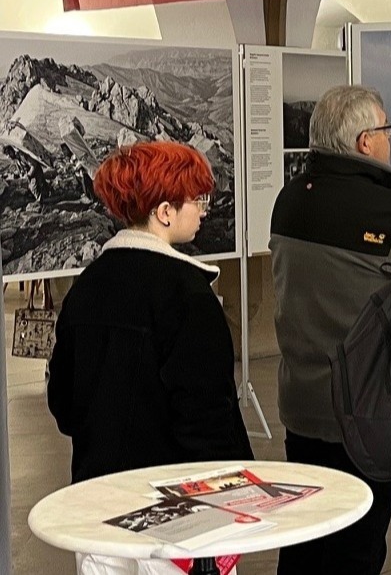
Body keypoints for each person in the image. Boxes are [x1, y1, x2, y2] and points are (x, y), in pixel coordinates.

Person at [46, 141, 252, 575]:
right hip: (177, 524)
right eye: (197, 199)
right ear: (164, 211)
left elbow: (64, 408)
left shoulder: (85, 289)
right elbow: (208, 425)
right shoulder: (189, 296)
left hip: (98, 513)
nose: (203, 210)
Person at [270, 85, 391, 575]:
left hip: (301, 407)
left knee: (304, 541)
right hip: (365, 416)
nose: (390, 142)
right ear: (364, 143)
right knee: (358, 549)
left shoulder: (288, 202)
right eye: (386, 130)